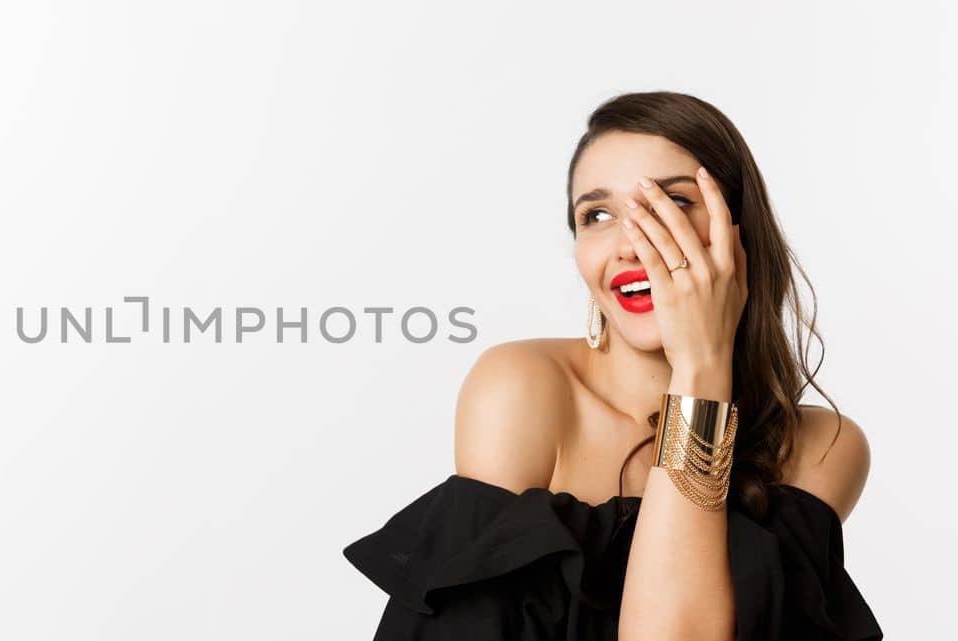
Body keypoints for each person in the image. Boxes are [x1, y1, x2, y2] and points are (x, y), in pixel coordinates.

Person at [342, 92, 882, 641]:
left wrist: (701, 367)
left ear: (738, 230)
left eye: (672, 202)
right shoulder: (523, 390)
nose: (630, 245)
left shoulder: (820, 446)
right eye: (597, 215)